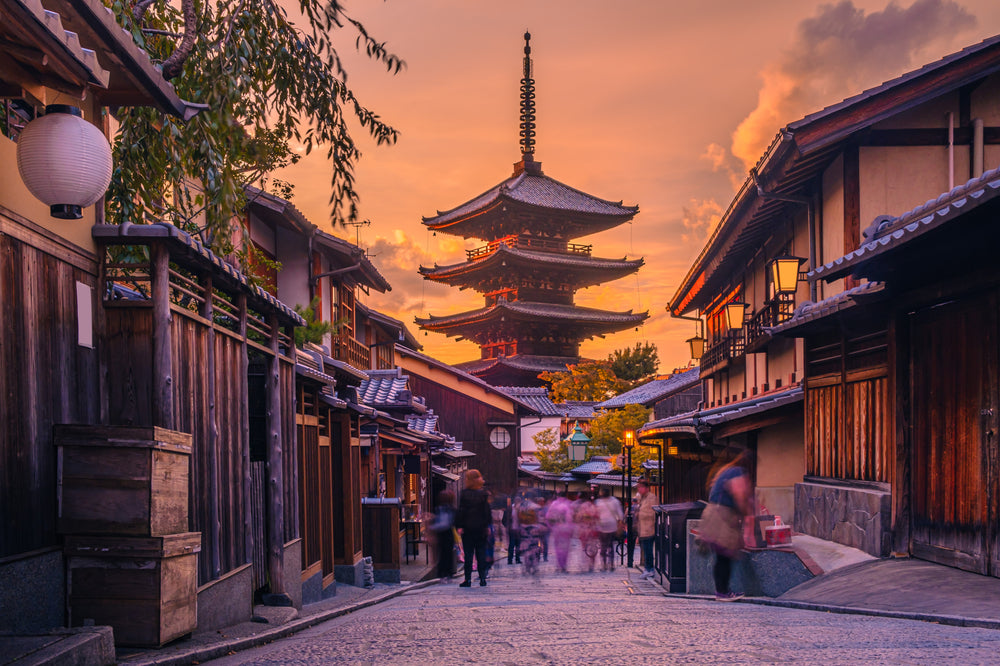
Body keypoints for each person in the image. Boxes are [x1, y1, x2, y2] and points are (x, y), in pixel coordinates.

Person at [704, 449, 755, 601]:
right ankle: (722, 592)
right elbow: (740, 495)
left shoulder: (726, 470)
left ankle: (723, 590)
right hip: (722, 516)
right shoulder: (737, 472)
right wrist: (748, 515)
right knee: (724, 555)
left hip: (714, 513)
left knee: (722, 555)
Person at [455, 469, 492, 587]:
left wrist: (459, 525)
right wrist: (487, 525)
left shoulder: (465, 494)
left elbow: (461, 511)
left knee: (469, 554)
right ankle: (482, 579)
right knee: (481, 553)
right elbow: (486, 511)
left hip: (468, 528)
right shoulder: (483, 494)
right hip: (481, 528)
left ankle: (468, 579)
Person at [428, 490, 456, 579]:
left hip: (443, 533)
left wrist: (432, 527)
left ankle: (443, 573)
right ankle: (447, 573)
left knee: (443, 554)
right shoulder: (450, 509)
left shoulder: (440, 509)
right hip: (447, 534)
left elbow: (443, 523)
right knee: (446, 553)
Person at [595, 487, 624, 572]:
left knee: (603, 546)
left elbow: (596, 514)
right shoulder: (615, 501)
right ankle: (611, 564)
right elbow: (620, 515)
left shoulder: (598, 502)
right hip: (612, 526)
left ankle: (603, 565)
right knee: (610, 546)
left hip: (601, 526)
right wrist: (620, 523)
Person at [546, 492, 574, 573]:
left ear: (558, 496)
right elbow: (570, 517)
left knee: (558, 547)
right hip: (566, 529)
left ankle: (559, 565)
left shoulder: (554, 504)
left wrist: (550, 527)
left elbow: (548, 516)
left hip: (556, 528)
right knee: (565, 548)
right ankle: (564, 565)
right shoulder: (568, 504)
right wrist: (571, 528)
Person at [635, 478, 657, 579]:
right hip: (643, 528)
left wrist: (640, 513)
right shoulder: (642, 498)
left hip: (649, 528)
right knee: (645, 549)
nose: (639, 490)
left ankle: (650, 569)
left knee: (648, 550)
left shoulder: (652, 498)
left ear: (646, 488)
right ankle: (647, 568)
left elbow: (653, 512)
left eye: (640, 487)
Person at [574, 490, 600, 573]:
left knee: (584, 547)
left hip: (584, 529)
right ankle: (591, 565)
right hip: (593, 529)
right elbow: (598, 518)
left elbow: (578, 518)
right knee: (592, 547)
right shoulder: (594, 507)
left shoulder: (583, 506)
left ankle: (584, 564)